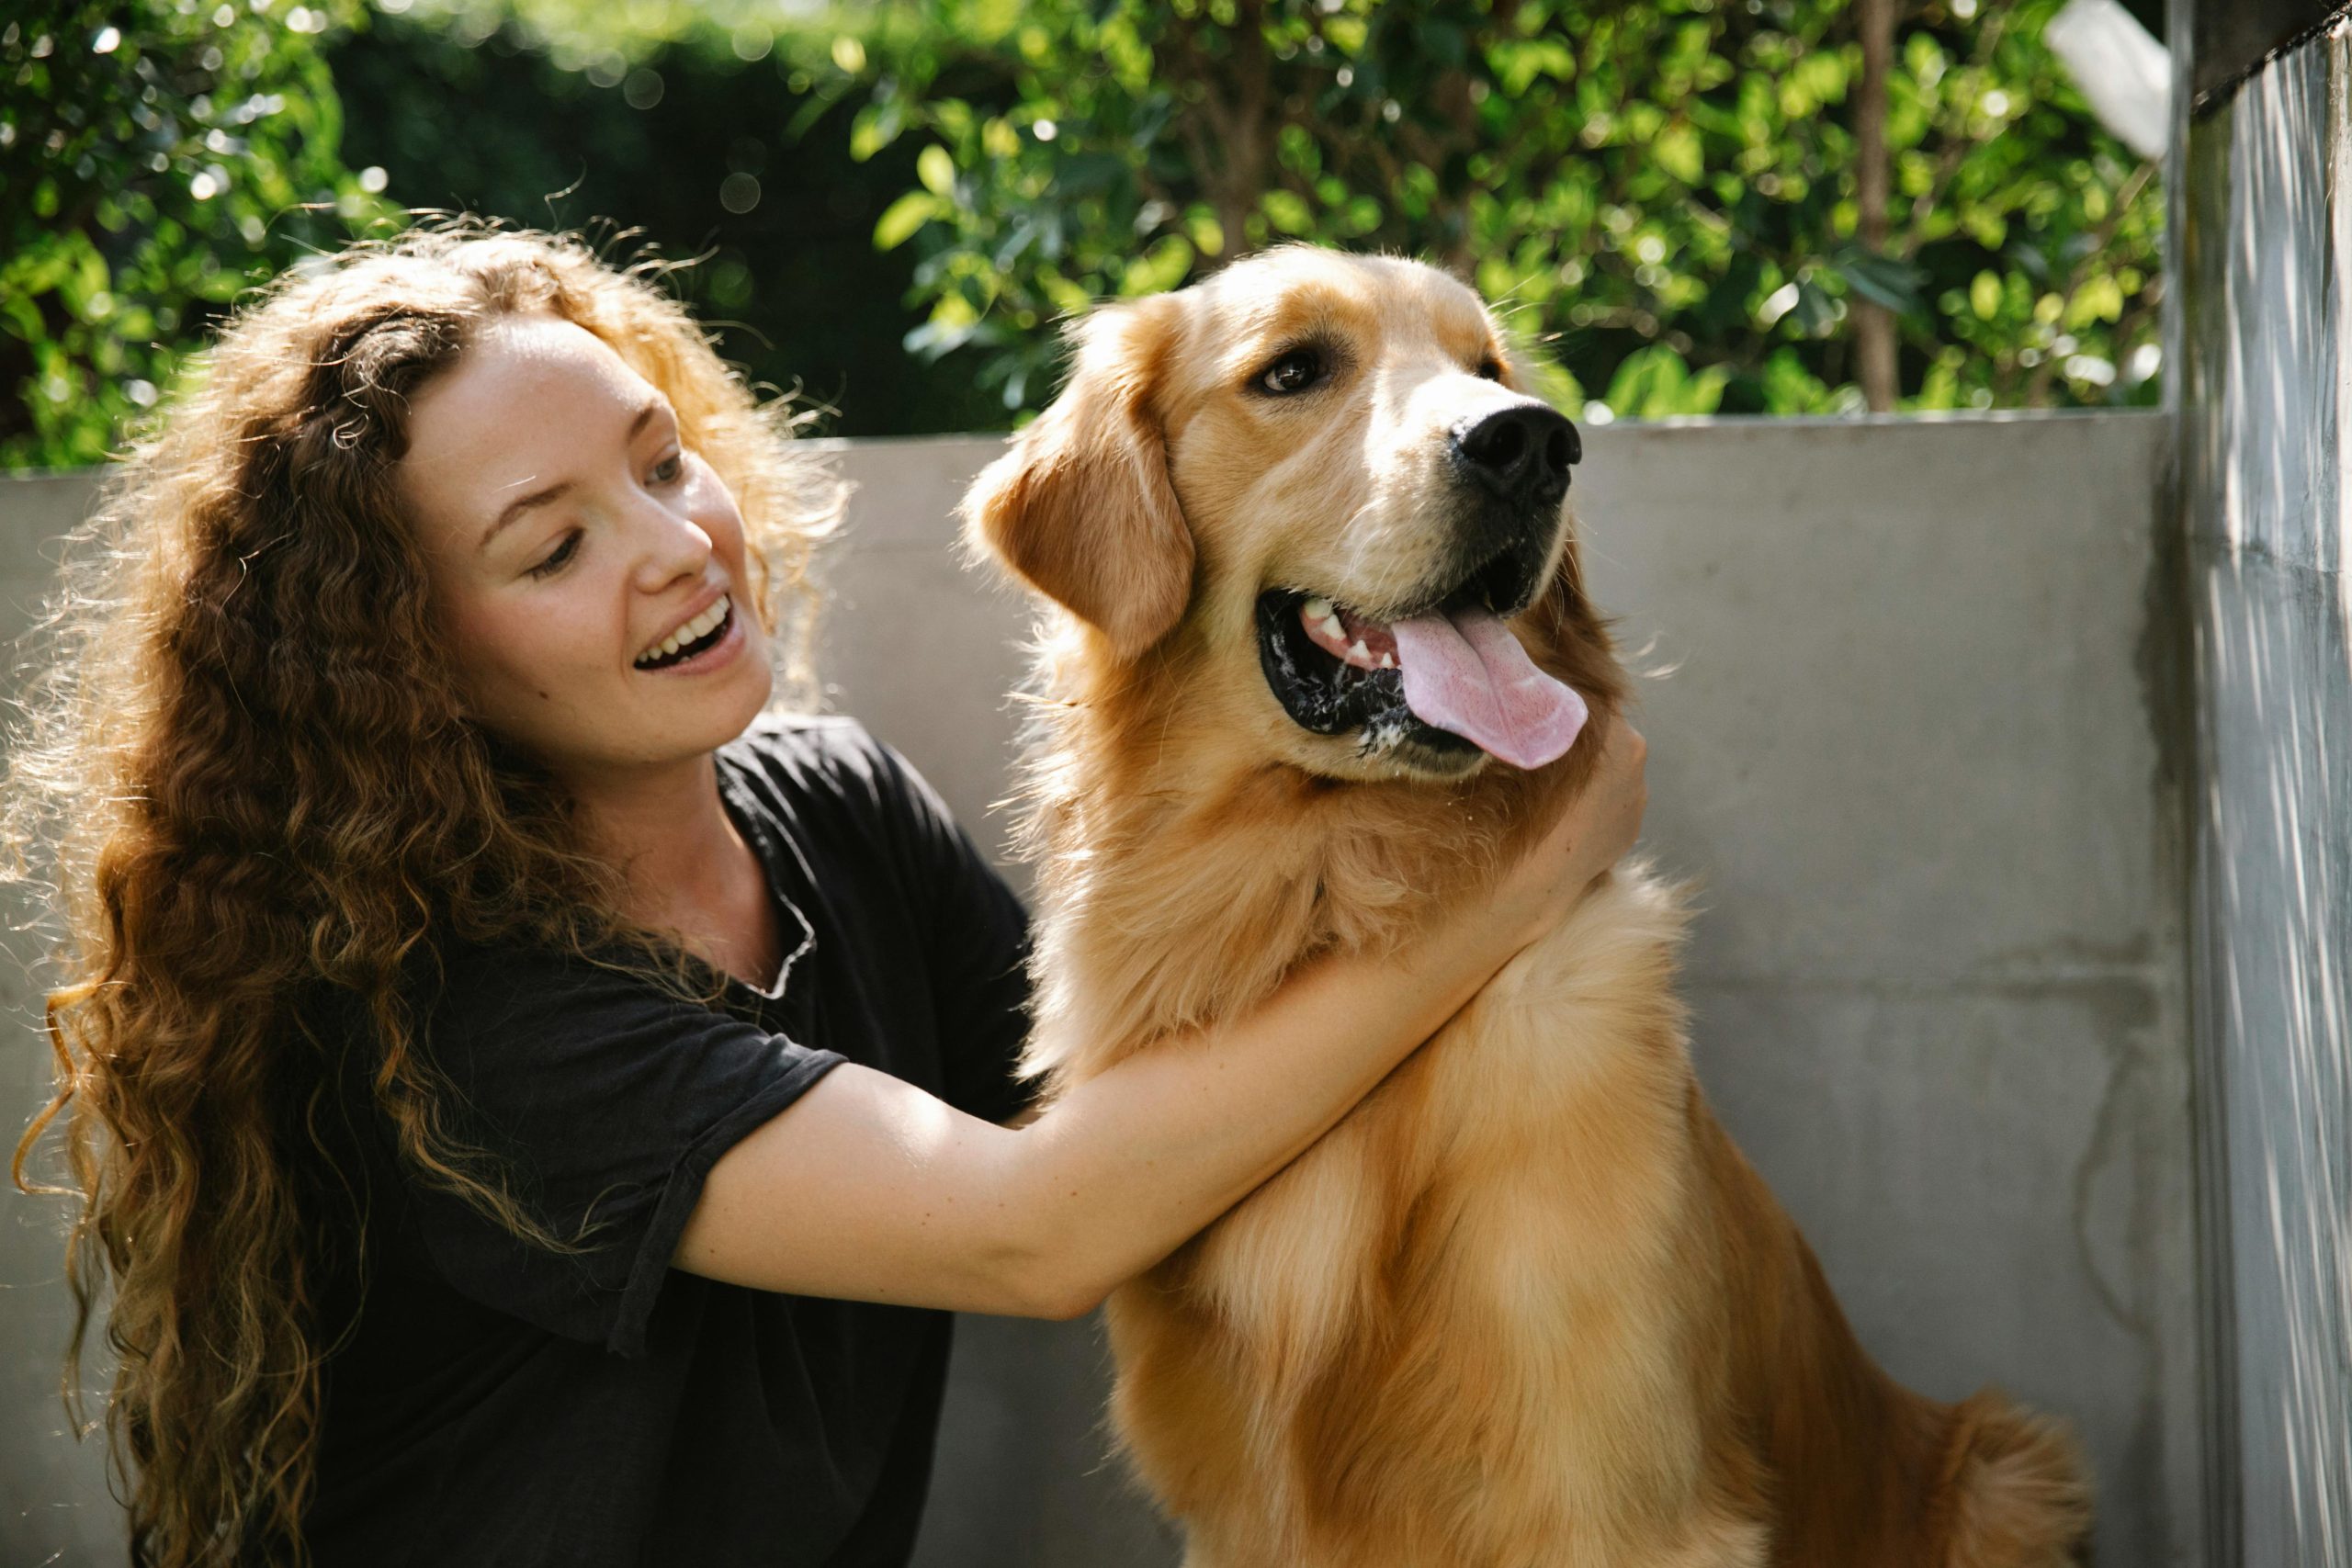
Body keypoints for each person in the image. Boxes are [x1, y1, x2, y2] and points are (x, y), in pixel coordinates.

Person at [5, 226, 1647, 1568]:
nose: (672, 547)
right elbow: (1044, 1225)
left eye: (660, 464)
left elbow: (1165, 1122)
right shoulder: (459, 1022)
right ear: (404, 665)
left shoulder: (837, 808)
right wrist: (1529, 874)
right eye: (550, 546)